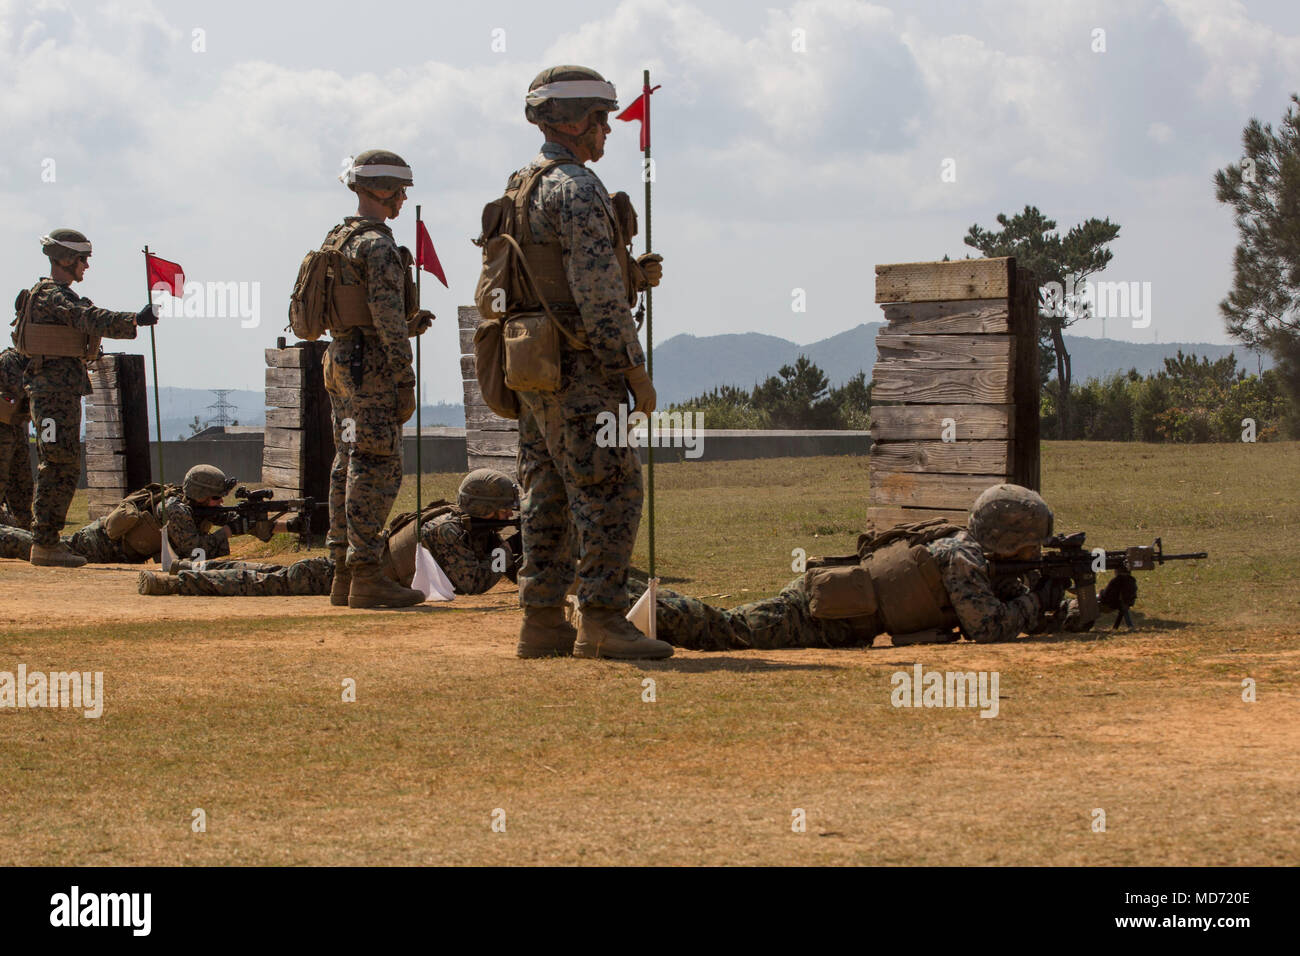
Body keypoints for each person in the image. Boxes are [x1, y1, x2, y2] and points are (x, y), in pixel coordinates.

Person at [506, 65, 669, 660]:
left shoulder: (522, 185)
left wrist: (632, 273)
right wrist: (632, 368)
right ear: (572, 121)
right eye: (600, 118)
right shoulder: (576, 188)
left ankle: (542, 621)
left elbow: (545, 278)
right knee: (611, 488)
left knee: (545, 493)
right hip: (580, 369)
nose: (608, 130)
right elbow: (597, 294)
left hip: (532, 365)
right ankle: (601, 617)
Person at [625, 485, 1068, 651]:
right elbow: (986, 628)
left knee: (731, 626)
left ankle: (626, 606)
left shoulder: (969, 553)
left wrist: (1067, 605)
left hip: (836, 613)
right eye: (1030, 545)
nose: (1034, 554)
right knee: (728, 630)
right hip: (820, 615)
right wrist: (1035, 602)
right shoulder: (963, 558)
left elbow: (998, 604)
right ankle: (627, 606)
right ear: (1008, 541)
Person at [322, 149, 431, 610]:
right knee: (377, 464)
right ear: (382, 189)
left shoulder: (339, 238)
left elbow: (360, 311)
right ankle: (366, 573)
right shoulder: (379, 246)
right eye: (400, 189)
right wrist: (405, 378)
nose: (404, 198)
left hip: (342, 360)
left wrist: (405, 323)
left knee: (347, 461)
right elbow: (386, 319)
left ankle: (344, 575)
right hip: (372, 369)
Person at [137, 470, 520, 597]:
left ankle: (186, 568)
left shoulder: (457, 522)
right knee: (260, 581)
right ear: (483, 505)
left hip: (357, 566)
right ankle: (170, 583)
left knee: (267, 573)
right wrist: (507, 553)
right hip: (355, 576)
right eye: (502, 509)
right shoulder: (448, 529)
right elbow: (471, 582)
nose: (507, 514)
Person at [15, 229, 157, 567]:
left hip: (56, 393)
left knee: (60, 463)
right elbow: (88, 318)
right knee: (58, 464)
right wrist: (134, 320)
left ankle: (45, 541)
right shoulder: (53, 296)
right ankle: (45, 544)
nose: (86, 266)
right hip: (53, 396)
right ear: (65, 259)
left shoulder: (51, 295)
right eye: (82, 259)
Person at [0, 464, 267, 562]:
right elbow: (193, 552)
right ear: (199, 495)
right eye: (216, 498)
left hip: (104, 546)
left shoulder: (191, 508)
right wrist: (232, 530)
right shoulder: (175, 510)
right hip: (94, 547)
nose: (220, 504)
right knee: (26, 545)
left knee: (29, 540)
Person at [0, 346, 33, 530]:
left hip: (15, 428)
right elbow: (20, 389)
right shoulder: (10, 360)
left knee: (23, 485)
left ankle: (24, 534)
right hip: (3, 428)